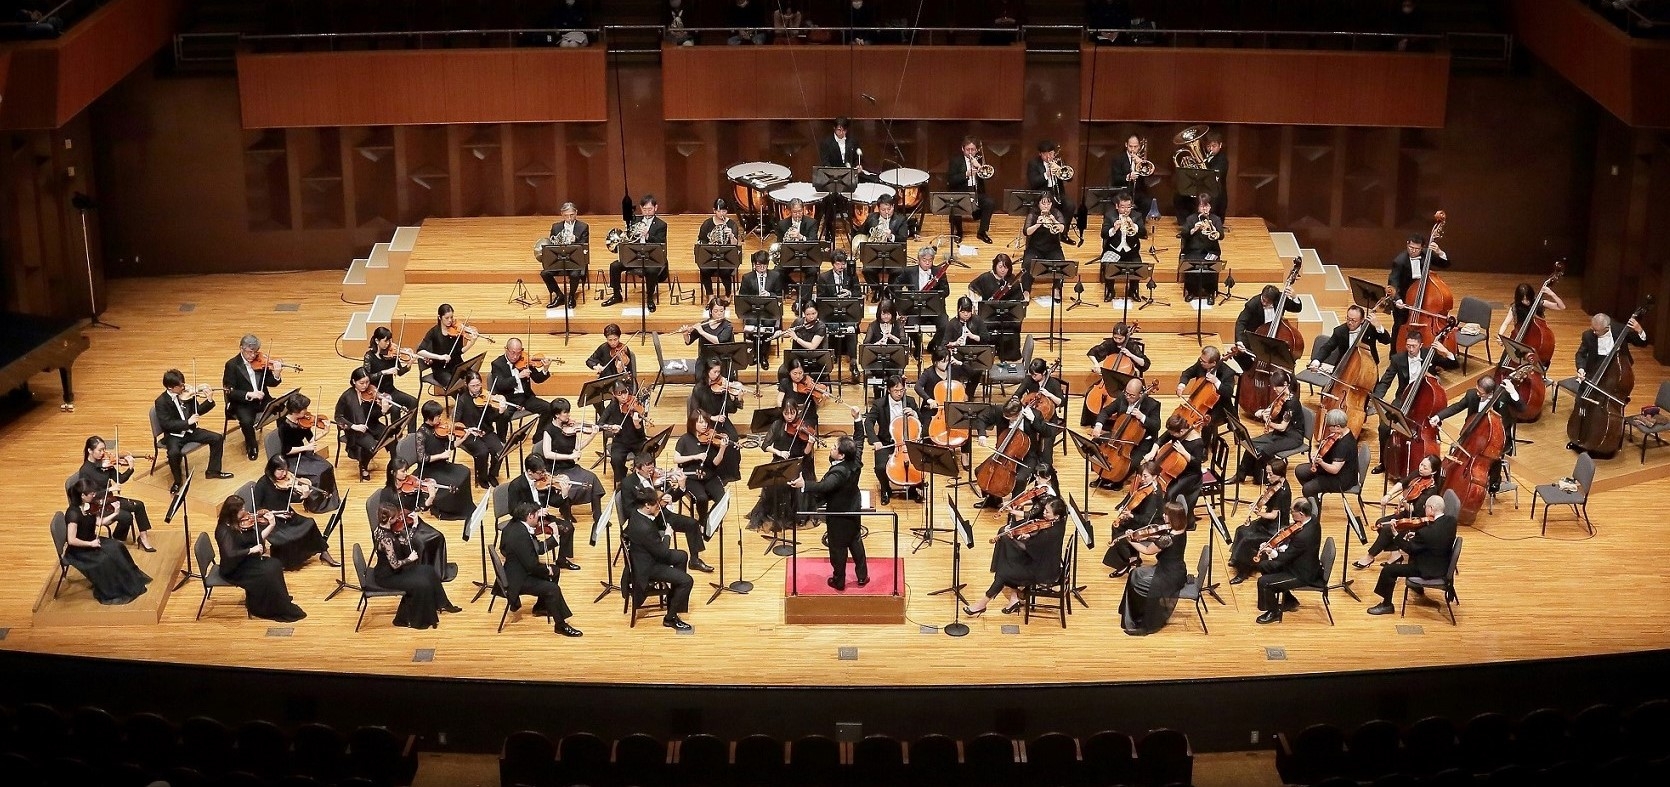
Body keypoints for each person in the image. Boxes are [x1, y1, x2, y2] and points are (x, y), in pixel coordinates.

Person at [965, 498, 1068, 615]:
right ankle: (1013, 599)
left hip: (1042, 571)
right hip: (1043, 561)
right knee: (1006, 552)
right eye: (1044, 510)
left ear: (1056, 516)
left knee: (1003, 573)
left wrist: (1013, 538)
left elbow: (1028, 548)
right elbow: (1036, 545)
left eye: (1047, 512)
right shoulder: (1058, 523)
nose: (1044, 513)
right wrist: (1028, 536)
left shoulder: (1049, 533)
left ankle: (982, 604)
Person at [1370, 331, 1454, 473]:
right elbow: (1386, 380)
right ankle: (1384, 463)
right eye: (1408, 345)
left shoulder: (1430, 354)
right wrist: (1377, 397)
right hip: (1403, 397)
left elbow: (1453, 365)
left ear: (1420, 345)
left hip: (1425, 400)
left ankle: (1427, 464)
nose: (1410, 349)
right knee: (1384, 427)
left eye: (1413, 346)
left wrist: (1446, 352)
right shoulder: (1398, 359)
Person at [790, 435, 867, 589]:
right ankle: (862, 576)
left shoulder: (839, 472)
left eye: (834, 447)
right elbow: (859, 442)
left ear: (842, 455)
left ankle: (839, 581)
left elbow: (825, 486)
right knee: (855, 541)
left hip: (839, 513)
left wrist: (804, 484)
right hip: (853, 507)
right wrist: (858, 422)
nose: (831, 448)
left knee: (838, 549)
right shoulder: (855, 459)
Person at [214, 495, 306, 623]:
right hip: (234, 568)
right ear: (232, 512)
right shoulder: (223, 530)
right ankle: (262, 607)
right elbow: (230, 554)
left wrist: (272, 524)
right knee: (267, 573)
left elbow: (257, 538)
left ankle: (279, 600)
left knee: (275, 564)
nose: (245, 512)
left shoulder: (238, 523)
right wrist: (251, 550)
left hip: (245, 560)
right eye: (241, 509)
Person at [371, 504, 461, 630]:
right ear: (390, 519)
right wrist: (410, 559)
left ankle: (442, 603)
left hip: (394, 571)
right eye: (396, 517)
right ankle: (405, 619)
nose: (398, 519)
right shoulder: (386, 539)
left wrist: (414, 525)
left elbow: (405, 542)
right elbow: (395, 564)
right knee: (422, 584)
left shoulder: (383, 528)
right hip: (388, 576)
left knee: (428, 570)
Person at [63, 478, 151, 605]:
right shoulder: (73, 514)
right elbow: (71, 540)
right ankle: (113, 589)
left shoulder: (87, 506)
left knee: (118, 547)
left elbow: (100, 522)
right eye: (91, 494)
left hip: (92, 540)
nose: (94, 495)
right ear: (82, 496)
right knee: (105, 559)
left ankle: (128, 580)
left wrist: (115, 513)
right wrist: (90, 544)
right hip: (80, 550)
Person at [501, 502, 584, 636]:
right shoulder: (521, 535)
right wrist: (546, 570)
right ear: (530, 516)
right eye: (537, 516)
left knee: (555, 570)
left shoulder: (514, 526)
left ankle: (541, 606)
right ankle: (560, 625)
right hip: (518, 579)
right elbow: (531, 565)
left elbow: (536, 549)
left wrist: (554, 537)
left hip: (516, 569)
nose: (539, 520)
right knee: (553, 589)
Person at [1366, 495, 1457, 615]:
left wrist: (1395, 534)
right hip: (1443, 563)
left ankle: (1387, 605)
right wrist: (1417, 538)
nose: (1424, 510)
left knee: (1388, 570)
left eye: (1426, 507)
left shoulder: (1425, 533)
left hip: (1428, 569)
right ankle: (1416, 587)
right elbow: (1435, 538)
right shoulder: (1451, 522)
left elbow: (1410, 550)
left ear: (1431, 509)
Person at [622, 453, 713, 572]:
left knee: (692, 524)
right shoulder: (628, 483)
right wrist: (651, 508)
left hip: (663, 515)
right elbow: (628, 510)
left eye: (652, 467)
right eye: (648, 469)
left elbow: (673, 497)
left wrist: (681, 487)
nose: (651, 471)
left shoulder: (656, 478)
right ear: (638, 469)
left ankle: (694, 560)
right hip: (645, 522)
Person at [624, 486, 695, 631]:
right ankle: (670, 618)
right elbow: (663, 552)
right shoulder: (643, 528)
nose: (658, 505)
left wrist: (660, 509)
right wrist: (668, 534)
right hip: (648, 567)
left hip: (647, 555)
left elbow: (653, 537)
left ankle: (675, 602)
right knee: (687, 581)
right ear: (647, 505)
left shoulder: (637, 513)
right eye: (656, 504)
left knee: (682, 556)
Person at [1356, 454, 1443, 570]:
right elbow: (1403, 482)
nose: (1421, 468)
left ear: (1433, 472)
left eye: (1425, 467)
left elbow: (1415, 510)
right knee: (1380, 523)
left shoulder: (1432, 489)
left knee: (1387, 529)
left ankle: (1370, 556)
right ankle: (1395, 554)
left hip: (1416, 520)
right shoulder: (1418, 474)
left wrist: (1404, 502)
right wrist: (1389, 495)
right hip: (1406, 513)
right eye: (1421, 464)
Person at [1433, 375, 1520, 488]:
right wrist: (1438, 417)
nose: (1478, 394)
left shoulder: (1502, 397)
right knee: (1460, 450)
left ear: (1490, 392)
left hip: (1496, 438)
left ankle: (1494, 482)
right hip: (1472, 434)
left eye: (1481, 393)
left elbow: (1521, 407)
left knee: (1494, 456)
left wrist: (1513, 392)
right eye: (1477, 390)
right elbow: (1457, 407)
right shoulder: (1472, 394)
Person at [1119, 501, 1191, 635]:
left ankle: (1140, 615)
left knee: (1136, 579)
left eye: (1166, 514)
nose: (1163, 516)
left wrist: (1131, 540)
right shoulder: (1181, 528)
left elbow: (1147, 550)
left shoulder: (1167, 538)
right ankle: (1135, 613)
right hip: (1177, 569)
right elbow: (1161, 538)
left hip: (1168, 574)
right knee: (1135, 573)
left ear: (1173, 517)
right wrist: (1148, 536)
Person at [155, 369, 233, 492]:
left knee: (217, 438)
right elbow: (166, 424)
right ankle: (177, 481)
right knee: (173, 453)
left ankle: (213, 471)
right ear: (170, 387)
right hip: (174, 435)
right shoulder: (161, 402)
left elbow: (198, 411)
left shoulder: (188, 395)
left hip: (190, 431)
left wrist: (209, 400)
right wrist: (187, 422)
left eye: (183, 384)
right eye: (180, 386)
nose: (184, 387)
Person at [251, 457, 336, 569]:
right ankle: (287, 562)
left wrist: (303, 496)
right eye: (280, 470)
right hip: (271, 518)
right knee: (288, 537)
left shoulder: (284, 482)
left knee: (309, 523)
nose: (284, 474)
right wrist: (275, 514)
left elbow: (291, 499)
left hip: (287, 513)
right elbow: (256, 509)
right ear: (272, 469)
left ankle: (323, 552)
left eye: (286, 470)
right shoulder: (262, 484)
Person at [77, 436, 155, 552]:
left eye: (104, 449)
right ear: (90, 451)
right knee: (126, 517)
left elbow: (121, 479)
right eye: (100, 450)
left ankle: (143, 538)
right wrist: (109, 489)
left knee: (139, 505)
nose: (103, 453)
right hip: (96, 506)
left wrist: (130, 468)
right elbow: (86, 494)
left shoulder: (106, 464)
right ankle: (117, 540)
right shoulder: (85, 470)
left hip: (110, 500)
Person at [507, 456, 583, 572]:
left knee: (568, 528)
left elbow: (555, 502)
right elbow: (513, 510)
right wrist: (535, 512)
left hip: (542, 518)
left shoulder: (544, 481)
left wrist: (564, 494)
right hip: (526, 521)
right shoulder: (516, 485)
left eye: (544, 471)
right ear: (529, 472)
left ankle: (562, 560)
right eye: (540, 473)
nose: (544, 475)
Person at [750, 399, 815, 533]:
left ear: (797, 412)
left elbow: (805, 453)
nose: (790, 416)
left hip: (798, 462)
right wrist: (779, 452)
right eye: (786, 413)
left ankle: (796, 515)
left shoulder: (803, 427)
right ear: (782, 413)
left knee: (797, 483)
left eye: (792, 413)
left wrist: (810, 443)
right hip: (780, 461)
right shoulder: (777, 425)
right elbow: (765, 445)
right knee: (776, 482)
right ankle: (778, 514)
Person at [538, 399, 608, 523]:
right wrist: (570, 456)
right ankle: (566, 512)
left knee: (592, 478)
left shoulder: (571, 427)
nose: (568, 415)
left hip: (571, 467)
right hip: (556, 468)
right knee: (568, 485)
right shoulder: (548, 430)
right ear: (557, 415)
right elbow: (547, 454)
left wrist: (592, 435)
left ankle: (598, 514)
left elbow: (578, 447)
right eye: (565, 412)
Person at [1254, 498, 1322, 625]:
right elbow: (1293, 549)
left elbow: (1284, 558)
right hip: (1302, 563)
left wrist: (1271, 551)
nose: (1291, 514)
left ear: (1301, 514)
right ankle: (1290, 601)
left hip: (1301, 574)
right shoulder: (1313, 520)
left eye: (1292, 512)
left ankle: (1273, 612)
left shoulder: (1303, 536)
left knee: (1264, 582)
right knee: (1264, 565)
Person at [224, 334, 287, 461]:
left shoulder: (260, 361)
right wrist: (249, 394)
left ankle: (283, 441)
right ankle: (252, 447)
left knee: (283, 408)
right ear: (241, 348)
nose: (253, 355)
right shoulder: (232, 365)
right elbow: (229, 391)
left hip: (263, 400)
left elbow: (271, 382)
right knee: (246, 421)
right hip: (243, 403)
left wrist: (276, 374)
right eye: (250, 352)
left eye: (255, 352)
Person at [384, 463, 452, 580]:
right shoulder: (387, 493)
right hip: (399, 527)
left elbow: (421, 507)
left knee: (438, 536)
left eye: (406, 470)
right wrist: (409, 521)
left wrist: (431, 497)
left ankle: (437, 571)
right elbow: (387, 518)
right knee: (422, 543)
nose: (406, 474)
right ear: (393, 473)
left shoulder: (411, 488)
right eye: (403, 471)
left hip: (412, 519)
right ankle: (421, 573)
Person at [1229, 458, 1293, 584]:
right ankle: (1236, 558)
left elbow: (1273, 515)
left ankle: (1243, 572)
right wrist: (1257, 503)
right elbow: (1267, 499)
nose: (1268, 477)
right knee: (1241, 530)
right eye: (1267, 473)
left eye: (1270, 474)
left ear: (1280, 474)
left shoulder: (1283, 493)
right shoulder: (1275, 484)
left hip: (1275, 528)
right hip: (1266, 522)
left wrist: (1259, 513)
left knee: (1247, 540)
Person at [602, 194, 671, 310]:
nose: (647, 212)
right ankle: (616, 295)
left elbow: (660, 243)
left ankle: (650, 298)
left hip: (651, 258)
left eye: (650, 209)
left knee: (651, 271)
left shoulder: (661, 225)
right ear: (640, 208)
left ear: (656, 208)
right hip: (634, 256)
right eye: (644, 209)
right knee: (614, 266)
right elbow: (628, 239)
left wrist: (647, 235)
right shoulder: (634, 221)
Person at [1091, 378, 1162, 489]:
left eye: (1132, 395)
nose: (1128, 397)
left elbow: (1156, 426)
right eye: (1126, 393)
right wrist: (1098, 426)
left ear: (1140, 394)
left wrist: (1142, 417)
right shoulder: (1122, 398)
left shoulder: (1153, 405)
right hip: (1120, 436)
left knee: (1132, 463)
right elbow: (1105, 411)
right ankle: (1102, 476)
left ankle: (1118, 481)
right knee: (1096, 444)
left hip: (1142, 442)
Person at [863, 375, 923, 504]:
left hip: (908, 442)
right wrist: (875, 440)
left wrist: (914, 414)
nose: (899, 394)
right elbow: (868, 422)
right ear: (889, 390)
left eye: (902, 390)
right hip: (886, 442)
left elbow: (922, 421)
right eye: (896, 391)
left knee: (917, 464)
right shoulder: (879, 404)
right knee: (880, 467)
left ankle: (912, 489)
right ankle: (886, 489)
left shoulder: (910, 401)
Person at [274, 394, 339, 512]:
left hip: (304, 454)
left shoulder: (302, 421)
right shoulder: (284, 425)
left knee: (327, 467)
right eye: (304, 409)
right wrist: (305, 447)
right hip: (291, 459)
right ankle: (315, 505)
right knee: (317, 474)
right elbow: (286, 450)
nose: (306, 411)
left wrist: (325, 432)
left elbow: (310, 438)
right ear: (295, 411)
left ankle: (330, 500)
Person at [413, 401, 477, 520]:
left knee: (465, 471)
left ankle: (465, 507)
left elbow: (451, 445)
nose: (440, 419)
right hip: (429, 470)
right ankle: (446, 510)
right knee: (454, 482)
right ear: (429, 418)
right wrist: (441, 455)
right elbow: (422, 458)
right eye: (438, 416)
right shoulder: (421, 434)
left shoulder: (439, 429)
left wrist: (465, 436)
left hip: (442, 465)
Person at [1237, 368, 1303, 483]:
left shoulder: (1292, 403)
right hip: (1281, 434)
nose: (1274, 388)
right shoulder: (1281, 397)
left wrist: (1268, 422)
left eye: (1276, 386)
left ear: (1285, 384)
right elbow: (1274, 410)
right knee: (1250, 443)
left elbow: (1282, 427)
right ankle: (1240, 475)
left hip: (1292, 437)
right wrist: (1263, 412)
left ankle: (1259, 478)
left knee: (1265, 450)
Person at [335, 368, 400, 482]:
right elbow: (338, 417)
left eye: (367, 382)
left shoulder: (371, 391)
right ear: (354, 381)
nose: (365, 386)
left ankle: (395, 466)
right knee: (373, 447)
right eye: (361, 383)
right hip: (356, 430)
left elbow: (373, 414)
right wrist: (354, 426)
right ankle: (363, 466)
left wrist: (383, 411)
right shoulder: (346, 397)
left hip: (372, 424)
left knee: (391, 437)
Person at [1103, 461, 1164, 576]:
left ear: (1155, 476)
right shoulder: (1149, 485)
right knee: (1117, 526)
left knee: (1121, 538)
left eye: (1145, 476)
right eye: (1141, 475)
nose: (1142, 479)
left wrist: (1131, 516)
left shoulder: (1153, 495)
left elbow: (1146, 520)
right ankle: (1133, 558)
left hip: (1150, 526)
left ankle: (1124, 564)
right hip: (1142, 518)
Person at [688, 361, 746, 480]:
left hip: (721, 420)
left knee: (733, 437)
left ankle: (731, 473)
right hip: (705, 421)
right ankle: (717, 473)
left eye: (719, 372)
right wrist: (711, 417)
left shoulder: (722, 387)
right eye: (715, 372)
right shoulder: (699, 389)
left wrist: (738, 398)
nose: (718, 375)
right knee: (715, 442)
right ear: (707, 372)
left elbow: (731, 409)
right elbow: (695, 410)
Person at [1388, 234, 1451, 341]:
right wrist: (1397, 299)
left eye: (1417, 249)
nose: (1413, 251)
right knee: (1399, 326)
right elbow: (1393, 281)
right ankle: (1395, 350)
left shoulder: (1427, 254)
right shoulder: (1399, 261)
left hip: (1425, 298)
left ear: (1422, 247)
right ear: (1407, 244)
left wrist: (1439, 252)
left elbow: (1445, 264)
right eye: (1411, 247)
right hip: (1405, 299)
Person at [674, 412, 733, 527]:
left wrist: (722, 449)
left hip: (710, 475)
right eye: (701, 422)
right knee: (702, 498)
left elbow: (715, 463)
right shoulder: (685, 439)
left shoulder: (711, 438)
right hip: (692, 477)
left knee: (723, 500)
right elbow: (676, 459)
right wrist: (695, 457)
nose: (705, 425)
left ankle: (709, 521)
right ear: (693, 423)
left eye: (706, 422)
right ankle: (702, 521)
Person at [453, 371, 508, 489]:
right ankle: (482, 478)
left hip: (486, 431)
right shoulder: (462, 400)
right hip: (469, 434)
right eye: (473, 386)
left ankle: (492, 474)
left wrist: (500, 412)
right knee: (483, 452)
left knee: (500, 450)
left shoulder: (486, 397)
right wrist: (468, 430)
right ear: (466, 385)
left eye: (478, 385)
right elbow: (455, 422)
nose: (476, 388)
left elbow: (492, 418)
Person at [490, 338, 555, 438]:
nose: (515, 357)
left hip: (526, 397)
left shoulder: (525, 359)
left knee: (548, 408)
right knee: (503, 414)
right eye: (513, 353)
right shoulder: (497, 364)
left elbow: (537, 379)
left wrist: (545, 369)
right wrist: (518, 377)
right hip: (508, 399)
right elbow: (500, 385)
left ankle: (538, 439)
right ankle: (501, 441)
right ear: (506, 349)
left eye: (519, 353)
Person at [1146, 414, 1207, 513]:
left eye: (1173, 434)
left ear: (1181, 431)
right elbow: (1161, 439)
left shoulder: (1197, 442)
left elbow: (1196, 464)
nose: (1171, 435)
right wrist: (1152, 452)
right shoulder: (1176, 430)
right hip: (1174, 469)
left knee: (1170, 493)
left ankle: (1168, 516)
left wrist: (1184, 452)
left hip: (1190, 475)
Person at [414, 304, 480, 392]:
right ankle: (463, 399)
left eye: (451, 317)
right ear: (440, 317)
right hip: (440, 369)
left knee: (474, 378)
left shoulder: (456, 330)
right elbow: (420, 351)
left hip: (457, 365)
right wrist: (440, 357)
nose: (450, 320)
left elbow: (459, 352)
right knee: (454, 386)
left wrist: (471, 343)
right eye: (446, 318)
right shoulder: (434, 332)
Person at [1309, 304, 1393, 373]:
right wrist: (1317, 360)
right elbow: (1327, 347)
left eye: (1353, 320)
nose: (1349, 323)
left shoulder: (1370, 328)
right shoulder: (1340, 331)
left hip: (1368, 369)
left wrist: (1378, 326)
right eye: (1348, 319)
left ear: (1362, 320)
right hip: (1344, 367)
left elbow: (1386, 341)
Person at [1296, 408, 1359, 498]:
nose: (1329, 429)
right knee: (1300, 471)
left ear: (1337, 426)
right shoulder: (1341, 433)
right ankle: (1313, 496)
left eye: (1330, 426)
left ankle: (1313, 503)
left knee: (1308, 488)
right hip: (1331, 467)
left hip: (1341, 479)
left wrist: (1321, 462)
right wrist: (1319, 451)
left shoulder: (1344, 445)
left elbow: (1334, 469)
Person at [901, 245, 950, 356]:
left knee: (945, 325)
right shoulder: (909, 271)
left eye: (930, 260)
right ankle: (918, 346)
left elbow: (946, 292)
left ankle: (933, 345)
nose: (927, 263)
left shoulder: (939, 272)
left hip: (935, 309)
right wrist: (905, 298)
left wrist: (934, 294)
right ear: (919, 260)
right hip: (916, 308)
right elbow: (897, 286)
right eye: (924, 260)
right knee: (911, 326)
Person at [818, 117, 862, 241]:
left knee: (856, 197)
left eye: (843, 130)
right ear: (834, 129)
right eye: (839, 130)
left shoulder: (852, 141)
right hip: (833, 178)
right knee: (830, 200)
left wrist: (857, 167)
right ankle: (829, 230)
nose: (841, 132)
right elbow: (825, 161)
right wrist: (832, 172)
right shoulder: (826, 143)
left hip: (849, 177)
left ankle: (856, 229)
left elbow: (856, 159)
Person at [856, 196, 909, 299]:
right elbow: (861, 232)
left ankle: (890, 290)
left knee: (898, 271)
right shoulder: (872, 218)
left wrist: (891, 236)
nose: (886, 212)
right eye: (883, 210)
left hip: (893, 256)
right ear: (878, 208)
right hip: (874, 255)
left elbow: (903, 239)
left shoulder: (900, 219)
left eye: (889, 209)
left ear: (893, 207)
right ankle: (877, 290)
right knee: (867, 270)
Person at [946, 136, 995, 244]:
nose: (970, 152)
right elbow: (951, 180)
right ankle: (959, 232)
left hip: (976, 191)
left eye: (973, 150)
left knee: (989, 203)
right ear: (963, 149)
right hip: (961, 192)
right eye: (967, 149)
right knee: (955, 204)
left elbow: (988, 176)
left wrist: (979, 167)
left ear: (976, 150)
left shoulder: (979, 160)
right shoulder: (956, 161)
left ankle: (982, 232)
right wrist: (966, 174)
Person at [1099, 191, 1147, 301]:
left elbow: (1143, 233)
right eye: (1123, 207)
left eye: (1128, 207)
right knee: (1108, 264)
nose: (1126, 210)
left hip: (1131, 250)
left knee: (1138, 266)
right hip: (1113, 249)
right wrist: (1114, 229)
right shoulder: (1110, 215)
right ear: (1117, 206)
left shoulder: (1137, 216)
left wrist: (1134, 226)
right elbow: (1103, 234)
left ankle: (1133, 290)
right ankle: (1110, 290)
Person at [1575, 311, 1649, 381]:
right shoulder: (1588, 335)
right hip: (1597, 365)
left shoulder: (1620, 329)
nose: (1593, 332)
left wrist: (1639, 330)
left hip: (1618, 364)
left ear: (1607, 328)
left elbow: (1641, 343)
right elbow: (1580, 354)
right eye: (1592, 328)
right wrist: (1581, 369)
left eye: (1596, 330)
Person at [540, 202, 590, 309]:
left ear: (576, 213)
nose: (569, 218)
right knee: (545, 273)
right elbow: (551, 245)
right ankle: (559, 295)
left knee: (575, 275)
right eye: (566, 215)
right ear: (562, 214)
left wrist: (575, 239)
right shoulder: (556, 227)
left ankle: (571, 296)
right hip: (558, 260)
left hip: (575, 261)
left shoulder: (583, 227)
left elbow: (584, 245)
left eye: (572, 215)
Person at [600, 381, 648, 482]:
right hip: (620, 441)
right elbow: (600, 424)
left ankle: (643, 480)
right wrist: (611, 427)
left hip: (638, 441)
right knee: (616, 460)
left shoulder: (635, 404)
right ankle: (622, 482)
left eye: (625, 392)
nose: (624, 397)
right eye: (619, 394)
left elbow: (642, 434)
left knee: (646, 459)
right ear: (614, 394)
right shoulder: (612, 407)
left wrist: (637, 425)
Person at [364, 326, 419, 413]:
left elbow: (400, 372)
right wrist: (384, 372)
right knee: (395, 409)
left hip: (391, 391)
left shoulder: (391, 355)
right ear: (377, 341)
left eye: (389, 340)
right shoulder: (369, 357)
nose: (388, 343)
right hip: (377, 394)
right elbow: (367, 378)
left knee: (413, 402)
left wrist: (409, 364)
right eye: (385, 341)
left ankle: (409, 423)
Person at [1178, 344, 1237, 427]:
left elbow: (1228, 392)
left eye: (1204, 361)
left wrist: (1216, 382)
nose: (1201, 362)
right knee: (1178, 420)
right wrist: (1181, 385)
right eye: (1200, 359)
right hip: (1199, 403)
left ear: (1213, 363)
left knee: (1206, 424)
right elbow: (1187, 373)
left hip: (1219, 406)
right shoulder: (1201, 363)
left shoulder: (1227, 372)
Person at [697, 198, 743, 300]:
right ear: (714, 210)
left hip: (726, 258)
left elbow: (735, 245)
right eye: (718, 211)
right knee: (704, 270)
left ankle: (728, 294)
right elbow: (701, 241)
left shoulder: (731, 224)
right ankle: (710, 295)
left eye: (724, 211)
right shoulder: (707, 224)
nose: (721, 213)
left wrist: (731, 235)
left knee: (725, 272)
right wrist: (709, 244)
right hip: (711, 257)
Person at [1234, 285, 1303, 348]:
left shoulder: (1280, 299)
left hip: (1277, 336)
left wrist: (1294, 297)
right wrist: (1239, 340)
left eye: (1268, 302)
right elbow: (1241, 322)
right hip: (1257, 337)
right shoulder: (1253, 304)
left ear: (1274, 300)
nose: (1264, 303)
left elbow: (1297, 308)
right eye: (1263, 300)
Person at [1497, 281, 1567, 341]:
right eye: (1522, 300)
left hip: (1536, 339)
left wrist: (1551, 293)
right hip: (1520, 338)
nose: (1525, 302)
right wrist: (1500, 336)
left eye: (1527, 299)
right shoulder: (1515, 307)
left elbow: (1561, 307)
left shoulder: (1538, 303)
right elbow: (1505, 323)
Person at [682, 297, 737, 372]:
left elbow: (719, 341)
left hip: (721, 361)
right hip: (705, 360)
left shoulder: (728, 326)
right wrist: (685, 334)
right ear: (710, 311)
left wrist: (702, 332)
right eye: (716, 311)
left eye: (721, 311)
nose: (719, 313)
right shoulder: (704, 325)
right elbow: (688, 341)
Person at [1025, 140, 1073, 220]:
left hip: (1058, 194)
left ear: (1054, 153)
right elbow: (1033, 182)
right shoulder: (1033, 163)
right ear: (1040, 154)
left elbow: (1069, 178)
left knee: (1070, 206)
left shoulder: (1059, 162)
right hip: (1042, 195)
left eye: (1051, 153)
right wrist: (1047, 175)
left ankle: (1063, 227)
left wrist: (1059, 169)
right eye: (1045, 154)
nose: (1048, 157)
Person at [780, 301, 829, 377]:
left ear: (817, 312)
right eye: (808, 314)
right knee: (782, 372)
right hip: (798, 357)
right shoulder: (798, 322)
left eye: (814, 313)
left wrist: (796, 338)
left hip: (816, 359)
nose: (811, 317)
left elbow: (812, 346)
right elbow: (788, 333)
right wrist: (780, 334)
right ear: (804, 314)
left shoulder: (821, 327)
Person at [1023, 192, 1068, 268]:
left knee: (1060, 266)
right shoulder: (1033, 214)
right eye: (1043, 204)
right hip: (1035, 248)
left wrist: (1054, 220)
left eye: (1048, 203)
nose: (1046, 206)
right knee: (1027, 265)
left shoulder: (1056, 213)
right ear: (1038, 204)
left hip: (1053, 249)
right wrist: (1037, 225)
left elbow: (1063, 229)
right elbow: (1026, 232)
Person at [1108, 134, 1151, 211]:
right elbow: (1115, 178)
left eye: (1135, 146)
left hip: (1138, 192)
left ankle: (1141, 219)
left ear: (1139, 146)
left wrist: (1141, 163)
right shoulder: (1118, 159)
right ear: (1126, 145)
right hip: (1123, 192)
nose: (1133, 149)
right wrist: (1128, 177)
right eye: (1130, 146)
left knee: (1147, 202)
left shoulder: (1142, 159)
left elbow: (1149, 175)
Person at [1181, 194, 1224, 262]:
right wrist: (1194, 229)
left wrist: (1214, 230)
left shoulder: (1216, 219)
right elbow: (1183, 234)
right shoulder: (1191, 219)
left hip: (1211, 251)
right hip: (1193, 251)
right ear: (1197, 207)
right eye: (1201, 206)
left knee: (1213, 266)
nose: (1204, 208)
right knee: (1194, 267)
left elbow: (1221, 236)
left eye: (1206, 206)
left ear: (1210, 207)